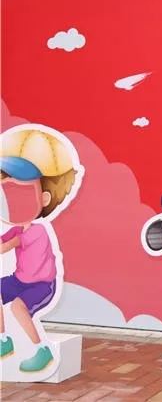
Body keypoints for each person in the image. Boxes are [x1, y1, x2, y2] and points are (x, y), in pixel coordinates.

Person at [0, 127, 81, 373]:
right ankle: (4, 340)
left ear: (44, 198)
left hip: (42, 286)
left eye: (20, 191)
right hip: (20, 280)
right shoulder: (18, 227)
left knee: (18, 308)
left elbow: (8, 245)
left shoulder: (35, 231)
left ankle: (41, 350)